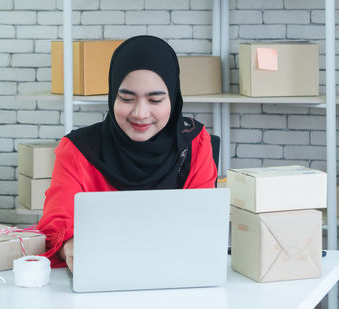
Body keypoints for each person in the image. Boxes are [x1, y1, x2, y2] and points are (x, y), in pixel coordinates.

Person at [36, 35, 217, 271]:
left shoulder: (195, 142)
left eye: (155, 99)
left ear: (173, 98)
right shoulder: (78, 149)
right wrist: (72, 246)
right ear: (112, 95)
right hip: (100, 270)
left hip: (176, 272)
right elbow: (56, 223)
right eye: (127, 98)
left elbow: (203, 220)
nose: (140, 113)